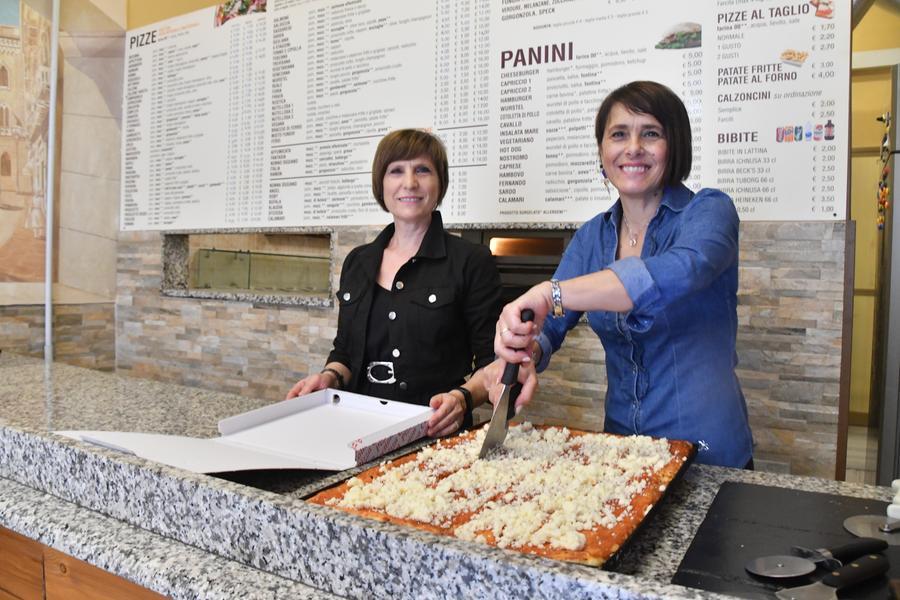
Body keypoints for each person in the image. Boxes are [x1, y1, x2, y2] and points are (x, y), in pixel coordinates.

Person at [492, 81, 753, 468]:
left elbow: (675, 272)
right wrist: (525, 349)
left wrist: (550, 293)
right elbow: (549, 328)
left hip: (708, 457)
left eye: (651, 133)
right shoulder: (592, 236)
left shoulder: (709, 212)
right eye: (618, 134)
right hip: (624, 456)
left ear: (674, 144)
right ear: (602, 150)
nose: (633, 148)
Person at [287, 129, 501, 438]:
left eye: (423, 170)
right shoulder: (357, 261)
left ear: (439, 182)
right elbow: (346, 351)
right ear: (381, 183)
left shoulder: (472, 261)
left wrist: (462, 399)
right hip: (355, 429)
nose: (410, 183)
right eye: (396, 171)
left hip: (432, 434)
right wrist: (329, 376)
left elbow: (491, 365)